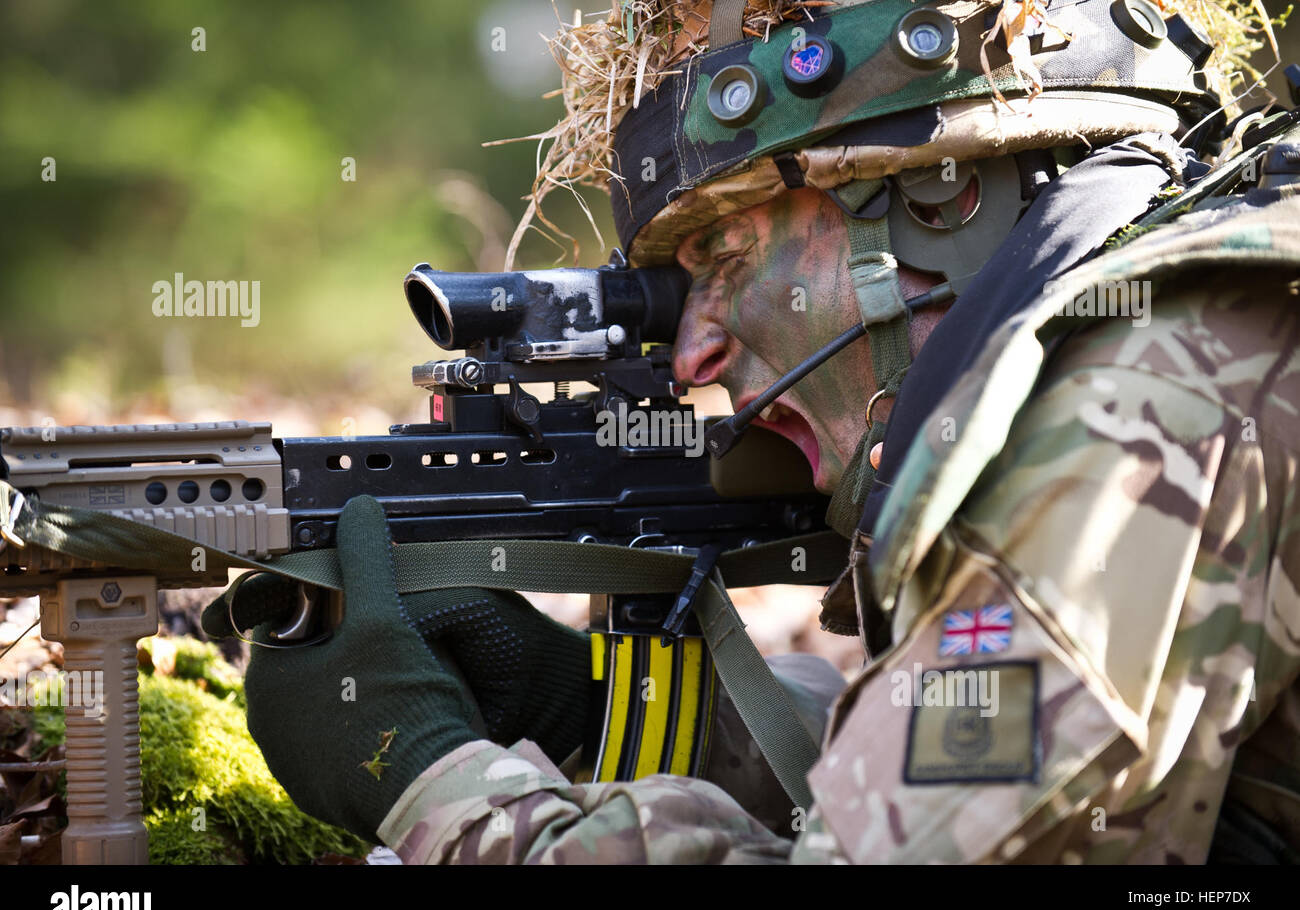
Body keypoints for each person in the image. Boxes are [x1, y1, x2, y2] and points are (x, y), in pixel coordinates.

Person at [206, 0, 1300, 863]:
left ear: (942, 206)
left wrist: (435, 787)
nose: (693, 357)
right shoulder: (1189, 335)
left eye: (726, 266)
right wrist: (587, 711)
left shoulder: (1143, 407)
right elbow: (961, 794)